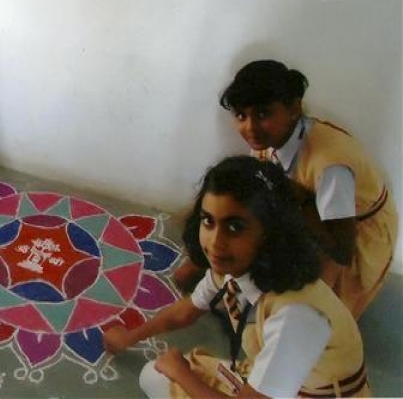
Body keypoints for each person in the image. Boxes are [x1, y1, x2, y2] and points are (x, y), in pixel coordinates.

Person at [104, 156, 371, 398]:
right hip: (279, 383)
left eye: (235, 227)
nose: (215, 243)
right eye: (208, 221)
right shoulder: (238, 266)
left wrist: (181, 373)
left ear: (270, 232)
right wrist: (130, 337)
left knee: (164, 376)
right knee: (154, 375)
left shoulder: (296, 316)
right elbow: (187, 310)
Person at [218, 59, 398, 319]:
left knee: (308, 314)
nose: (250, 128)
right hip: (311, 214)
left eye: (263, 114)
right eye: (241, 116)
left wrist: (297, 198)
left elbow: (342, 251)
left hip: (353, 237)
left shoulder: (330, 166)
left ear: (294, 108)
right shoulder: (274, 138)